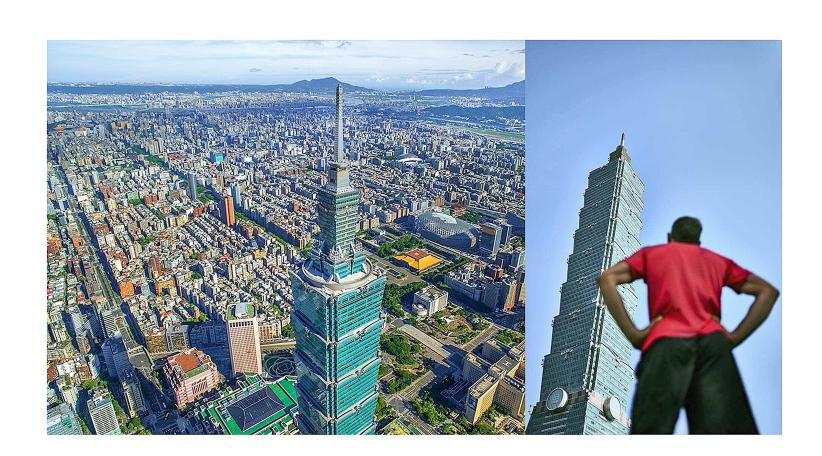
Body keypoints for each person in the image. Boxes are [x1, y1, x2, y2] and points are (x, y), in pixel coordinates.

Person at [598, 216, 779, 434]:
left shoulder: (652, 254)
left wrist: (634, 334)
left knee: (651, 431)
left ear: (669, 238)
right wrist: (733, 337)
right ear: (698, 242)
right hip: (713, 348)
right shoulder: (717, 261)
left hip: (665, 345)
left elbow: (607, 278)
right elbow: (768, 292)